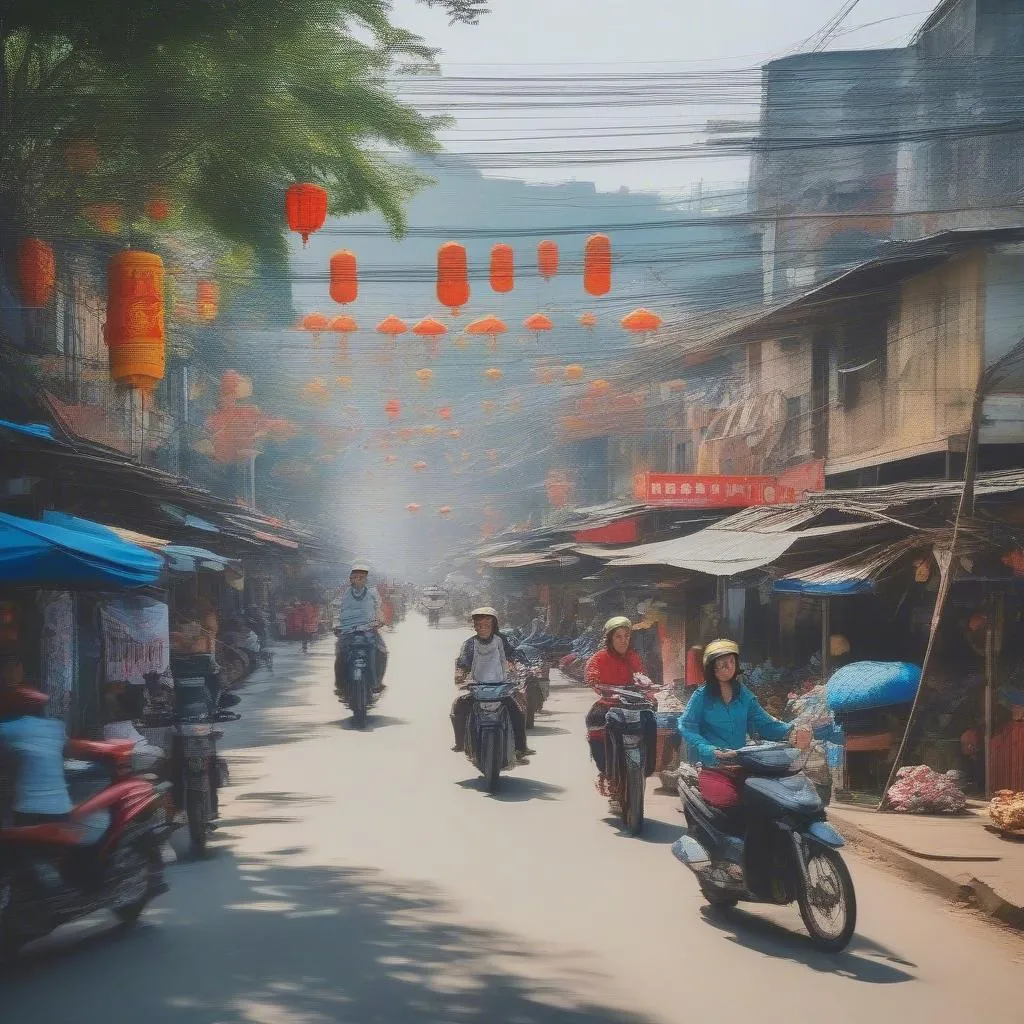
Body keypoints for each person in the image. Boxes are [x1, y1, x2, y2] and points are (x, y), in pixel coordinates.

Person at [678, 638, 809, 809]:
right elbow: (687, 726)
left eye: (731, 661)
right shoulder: (701, 696)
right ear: (712, 667)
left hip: (742, 764)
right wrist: (709, 749)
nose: (728, 666)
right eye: (722, 662)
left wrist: (791, 732)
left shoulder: (744, 695)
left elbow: (764, 723)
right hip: (711, 766)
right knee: (729, 802)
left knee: (765, 802)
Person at [584, 615, 657, 809]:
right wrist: (595, 681)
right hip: (608, 705)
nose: (624, 640)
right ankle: (608, 773)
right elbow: (591, 674)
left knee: (652, 721)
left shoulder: (633, 656)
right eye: (619, 636)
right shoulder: (599, 657)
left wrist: (647, 688)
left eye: (626, 636)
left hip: (632, 705)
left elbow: (641, 677)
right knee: (593, 725)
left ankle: (649, 766)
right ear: (610, 638)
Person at [451, 608, 534, 762]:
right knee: (458, 707)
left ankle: (521, 747)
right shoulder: (469, 644)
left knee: (517, 711)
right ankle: (460, 743)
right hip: (478, 688)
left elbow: (513, 655)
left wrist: (515, 665)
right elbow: (462, 662)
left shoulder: (502, 641)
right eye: (479, 625)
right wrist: (460, 673)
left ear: (494, 625)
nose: (483, 628)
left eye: (487, 625)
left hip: (501, 688)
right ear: (475, 626)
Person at [0, 688, 73, 826]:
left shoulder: (11, 728)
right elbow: (66, 750)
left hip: (28, 810)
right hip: (61, 809)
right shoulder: (57, 727)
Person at [337, 563, 387, 690]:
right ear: (351, 579)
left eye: (361, 577)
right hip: (347, 631)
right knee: (341, 654)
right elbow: (337, 610)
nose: (358, 580)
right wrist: (336, 625)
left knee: (382, 652)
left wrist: (380, 620)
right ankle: (341, 686)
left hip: (369, 630)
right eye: (355, 577)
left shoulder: (373, 593)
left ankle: (377, 683)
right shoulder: (344, 594)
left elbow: (378, 608)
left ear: (366, 579)